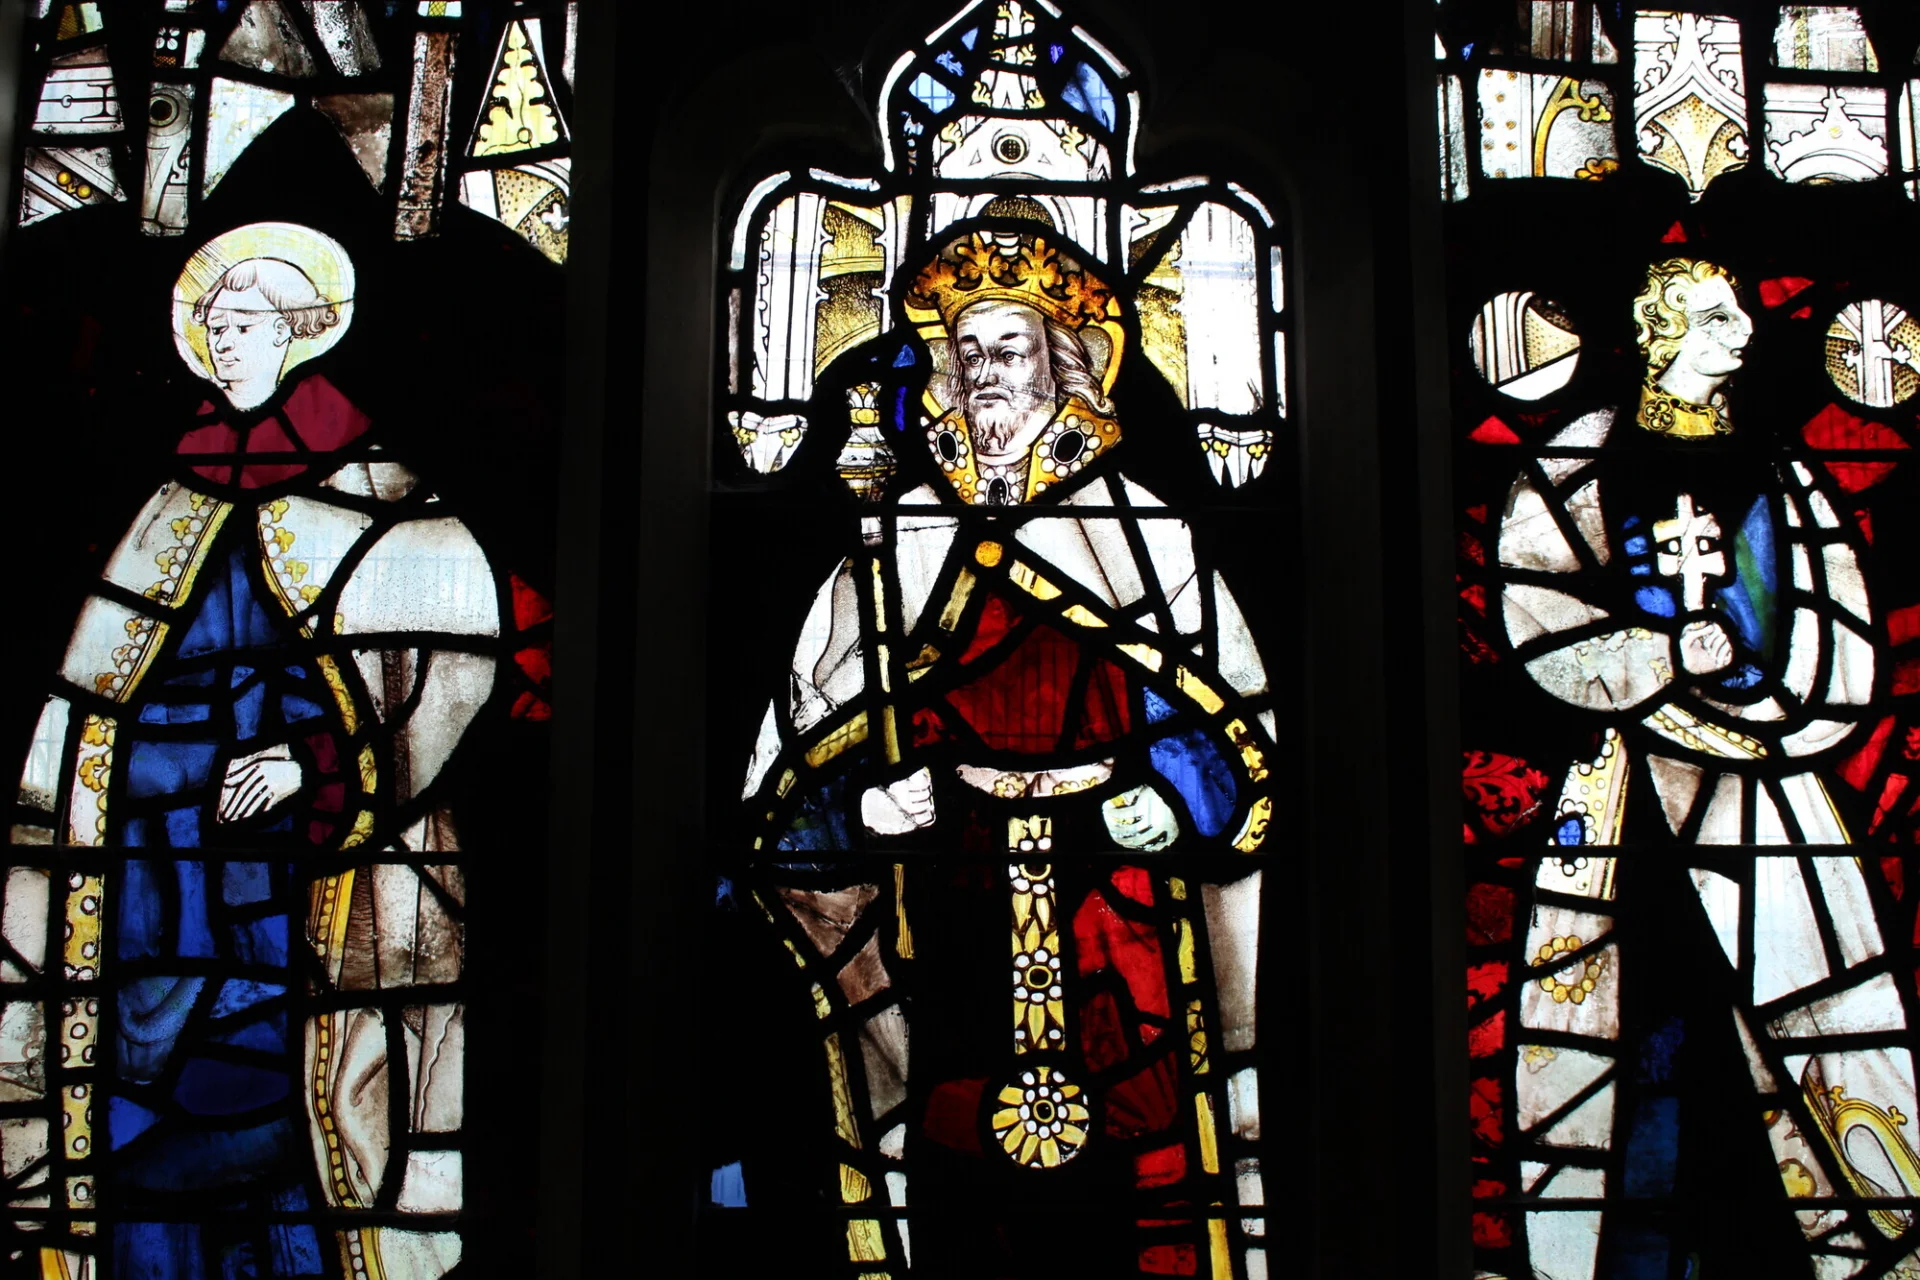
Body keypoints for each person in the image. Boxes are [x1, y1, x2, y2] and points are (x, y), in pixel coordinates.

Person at [737, 228, 1274, 1276]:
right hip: (952, 888)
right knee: (955, 1134)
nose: (984, 372)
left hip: (1121, 894)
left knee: (1149, 1130)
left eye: (1011, 347)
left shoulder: (1148, 532)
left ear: (1066, 362)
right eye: (967, 351)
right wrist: (860, 809)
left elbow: (1236, 728)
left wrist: (1177, 795)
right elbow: (797, 759)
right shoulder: (897, 540)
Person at [11, 223, 489, 1279]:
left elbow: (446, 679)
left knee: (300, 1130)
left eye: (247, 324)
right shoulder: (167, 505)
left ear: (305, 333)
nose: (225, 344)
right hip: (151, 862)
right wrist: (123, 767)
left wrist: (315, 762)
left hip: (313, 883)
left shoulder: (386, 503)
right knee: (139, 1139)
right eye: (214, 326)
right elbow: (91, 694)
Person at [1494, 257, 1912, 1274]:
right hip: (1628, 798)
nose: (1741, 333)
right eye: (1719, 316)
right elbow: (1535, 609)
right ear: (1662, 329)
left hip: (1770, 800)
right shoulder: (1578, 460)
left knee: (1817, 1043)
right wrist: (1664, 657)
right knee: (1642, 1042)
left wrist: (1778, 713)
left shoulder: (1781, 466)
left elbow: (1842, 637)